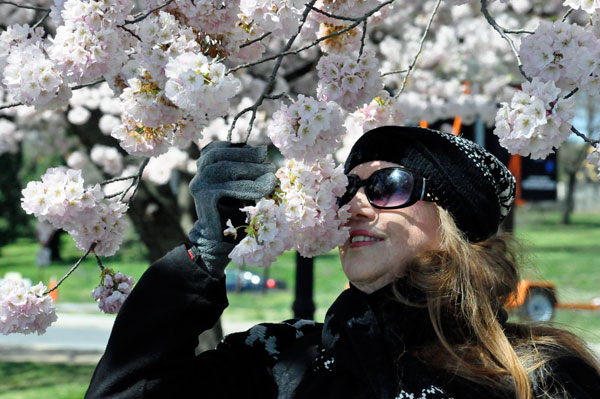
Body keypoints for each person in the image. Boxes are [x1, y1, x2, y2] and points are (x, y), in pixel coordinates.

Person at [85, 126, 600, 399]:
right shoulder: (277, 359)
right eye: (345, 188)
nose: (355, 204)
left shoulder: (540, 374)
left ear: (454, 221)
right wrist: (201, 255)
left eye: (388, 185)